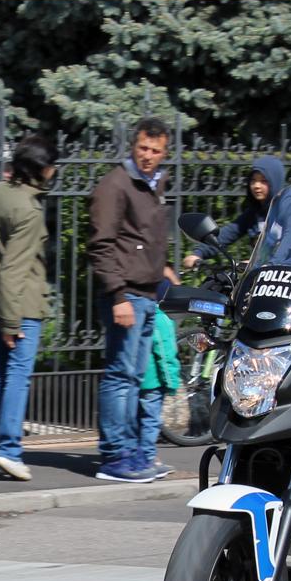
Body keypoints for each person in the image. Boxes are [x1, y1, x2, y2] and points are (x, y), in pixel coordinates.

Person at [87, 117, 176, 482]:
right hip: (125, 295)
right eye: (143, 148)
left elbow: (141, 239)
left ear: (164, 151)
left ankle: (136, 455)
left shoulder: (153, 185)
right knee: (120, 376)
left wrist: (163, 268)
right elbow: (101, 245)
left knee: (135, 376)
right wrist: (117, 295)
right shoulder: (116, 185)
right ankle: (114, 455)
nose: (149, 156)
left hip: (146, 292)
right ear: (132, 146)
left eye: (156, 151)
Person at [0, 135, 59, 481]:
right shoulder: (28, 210)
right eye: (52, 165)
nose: (55, 171)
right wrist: (12, 321)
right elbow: (14, 268)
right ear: (40, 169)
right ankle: (9, 450)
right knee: (16, 379)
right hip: (19, 306)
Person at [182, 155, 291, 269]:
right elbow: (229, 232)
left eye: (264, 181)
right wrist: (199, 253)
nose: (256, 186)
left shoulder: (290, 203)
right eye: (253, 180)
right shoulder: (256, 211)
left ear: (275, 181)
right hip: (267, 276)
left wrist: (270, 264)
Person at [135, 276, 183, 478]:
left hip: (136, 381)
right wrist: (172, 382)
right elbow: (165, 353)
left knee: (136, 420)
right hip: (153, 382)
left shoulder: (139, 314)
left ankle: (134, 455)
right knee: (150, 421)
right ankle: (147, 457)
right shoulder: (161, 318)